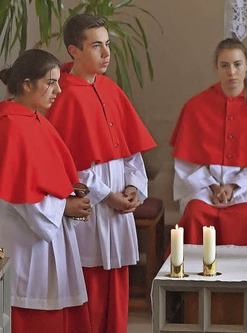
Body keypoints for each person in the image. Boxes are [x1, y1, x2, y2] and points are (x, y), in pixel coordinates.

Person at [45, 13, 156, 333]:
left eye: (107, 45)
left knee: (117, 284)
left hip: (118, 205)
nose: (107, 53)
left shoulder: (110, 89)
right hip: (90, 208)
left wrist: (134, 186)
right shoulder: (62, 94)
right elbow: (68, 163)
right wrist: (108, 196)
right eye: (97, 46)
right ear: (74, 51)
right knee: (89, 288)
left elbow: (131, 151)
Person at [170, 38, 247, 246]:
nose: (231, 72)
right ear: (216, 67)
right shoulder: (195, 107)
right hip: (204, 188)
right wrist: (212, 187)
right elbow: (187, 163)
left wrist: (233, 186)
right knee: (196, 213)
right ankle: (194, 278)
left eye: (237, 65)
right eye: (224, 66)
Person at [0, 49, 91, 333]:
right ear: (27, 84)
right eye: (51, 82)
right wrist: (63, 207)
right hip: (24, 238)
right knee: (33, 311)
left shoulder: (34, 119)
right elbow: (17, 193)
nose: (58, 89)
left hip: (44, 231)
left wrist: (70, 194)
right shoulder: (12, 125)